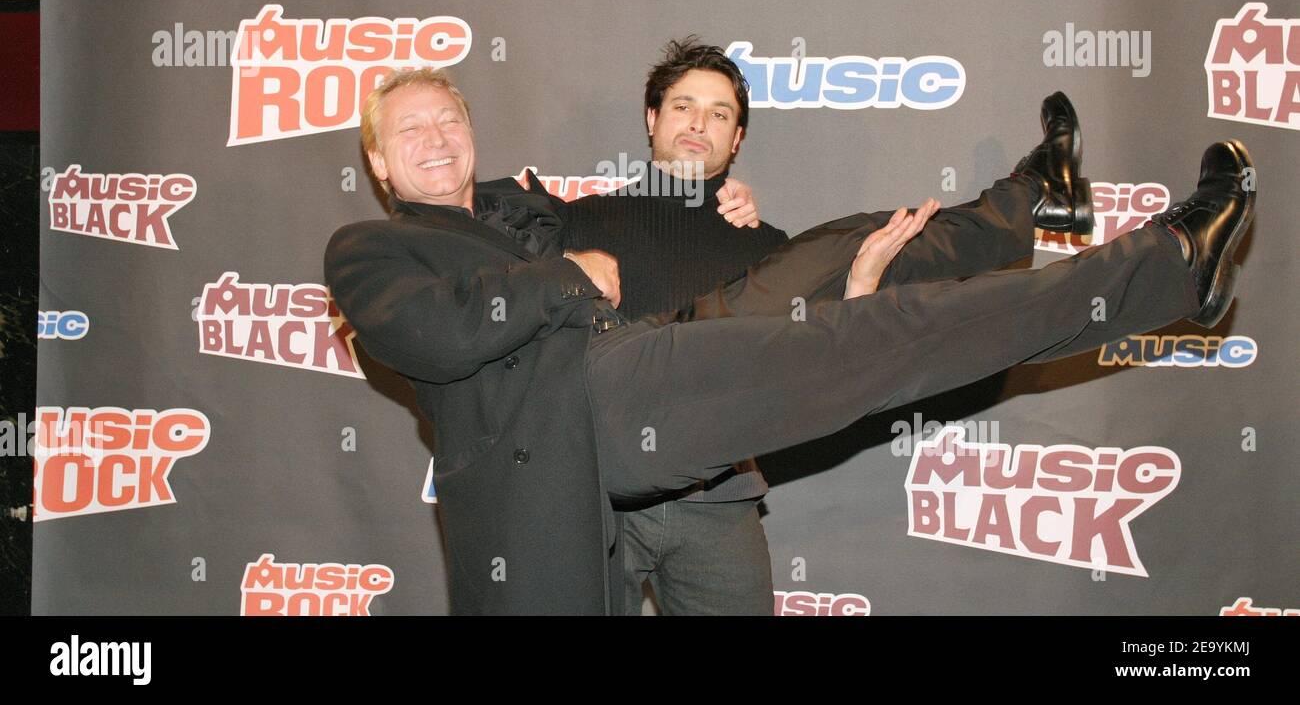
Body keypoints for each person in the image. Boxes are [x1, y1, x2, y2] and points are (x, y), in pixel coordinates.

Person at [323, 68, 1255, 615]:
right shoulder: (376, 245)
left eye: (450, 119)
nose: (437, 137)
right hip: (592, 418)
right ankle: (1173, 264)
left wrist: (828, 294)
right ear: (376, 160)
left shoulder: (527, 213)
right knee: (890, 339)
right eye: (411, 128)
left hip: (665, 380)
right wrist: (572, 277)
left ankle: (1033, 196)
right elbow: (435, 334)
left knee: (866, 282)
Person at [563, 39, 788, 616]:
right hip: (594, 495)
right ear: (652, 117)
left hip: (721, 497)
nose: (699, 124)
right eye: (683, 106)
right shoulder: (577, 224)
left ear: (736, 140)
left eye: (720, 114)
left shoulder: (768, 246)